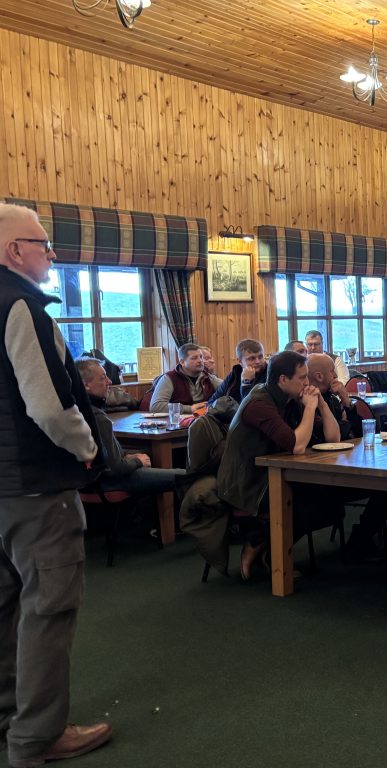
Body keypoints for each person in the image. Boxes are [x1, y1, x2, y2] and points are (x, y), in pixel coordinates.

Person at [0, 203, 112, 767]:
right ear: (14, 251)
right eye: (43, 244)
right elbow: (49, 405)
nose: (51, 253)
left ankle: (9, 721)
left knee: (6, 608)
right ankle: (37, 737)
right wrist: (89, 448)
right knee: (48, 611)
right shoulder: (22, 304)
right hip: (35, 490)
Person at [217, 351, 342, 579]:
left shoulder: (288, 398)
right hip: (247, 483)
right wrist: (310, 407)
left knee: (332, 501)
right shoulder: (259, 403)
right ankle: (264, 547)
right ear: (283, 380)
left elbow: (334, 439)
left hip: (275, 473)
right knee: (314, 501)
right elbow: (296, 446)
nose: (307, 383)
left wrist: (322, 404)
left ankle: (265, 546)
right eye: (302, 378)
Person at [306, 353, 387, 558]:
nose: (336, 375)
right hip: (319, 473)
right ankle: (360, 540)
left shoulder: (331, 398)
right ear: (319, 376)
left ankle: (361, 537)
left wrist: (347, 402)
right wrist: (344, 426)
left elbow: (358, 434)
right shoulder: (308, 400)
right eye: (332, 372)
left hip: (343, 462)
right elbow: (334, 437)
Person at [77, 358, 183, 494]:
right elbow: (116, 468)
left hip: (83, 483)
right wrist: (137, 461)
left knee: (150, 455)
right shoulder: (97, 417)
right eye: (102, 378)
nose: (109, 381)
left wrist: (134, 457)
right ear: (86, 385)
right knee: (185, 476)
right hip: (107, 482)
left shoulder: (74, 411)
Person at [150, 342, 222, 414]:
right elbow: (155, 406)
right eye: (194, 358)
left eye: (201, 357)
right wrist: (190, 409)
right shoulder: (169, 378)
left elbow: (227, 386)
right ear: (182, 362)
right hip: (178, 422)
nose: (200, 360)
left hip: (203, 419)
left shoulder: (209, 377)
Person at [210, 338, 267, 406]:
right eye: (252, 358)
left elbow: (249, 407)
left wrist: (246, 382)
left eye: (260, 357)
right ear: (240, 361)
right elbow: (212, 402)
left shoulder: (270, 374)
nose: (258, 361)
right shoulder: (236, 373)